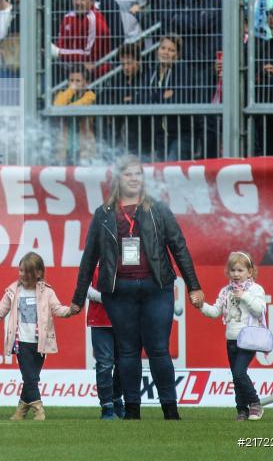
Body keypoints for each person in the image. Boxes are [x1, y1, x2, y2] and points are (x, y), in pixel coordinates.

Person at [69, 155, 204, 421]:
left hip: (157, 287)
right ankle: (132, 411)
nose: (134, 179)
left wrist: (194, 286)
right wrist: (77, 298)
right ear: (118, 179)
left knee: (158, 350)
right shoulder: (104, 214)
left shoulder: (159, 209)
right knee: (128, 352)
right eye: (128, 174)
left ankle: (170, 410)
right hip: (119, 292)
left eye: (138, 174)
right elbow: (89, 258)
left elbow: (179, 248)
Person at [0, 252, 71, 421]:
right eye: (20, 270)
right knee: (29, 377)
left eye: (25, 271)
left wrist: (71, 310)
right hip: (20, 342)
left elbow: (58, 309)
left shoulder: (47, 292)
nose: (21, 274)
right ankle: (38, 410)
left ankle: (21, 411)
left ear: (38, 273)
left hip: (40, 343)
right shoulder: (13, 291)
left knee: (32, 378)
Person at [196, 251, 266, 421]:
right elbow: (214, 312)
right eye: (233, 270)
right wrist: (200, 305)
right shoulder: (226, 291)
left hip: (249, 340)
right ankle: (241, 410)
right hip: (232, 340)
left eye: (240, 270)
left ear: (250, 272)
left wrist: (245, 296)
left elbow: (260, 310)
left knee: (239, 373)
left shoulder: (255, 289)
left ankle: (255, 404)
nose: (236, 274)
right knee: (236, 377)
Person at [86, 266, 124, 420]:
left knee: (124, 363)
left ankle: (117, 399)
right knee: (105, 363)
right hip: (100, 321)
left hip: (124, 320)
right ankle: (107, 406)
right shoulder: (92, 262)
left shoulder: (127, 261)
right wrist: (108, 298)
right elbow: (86, 289)